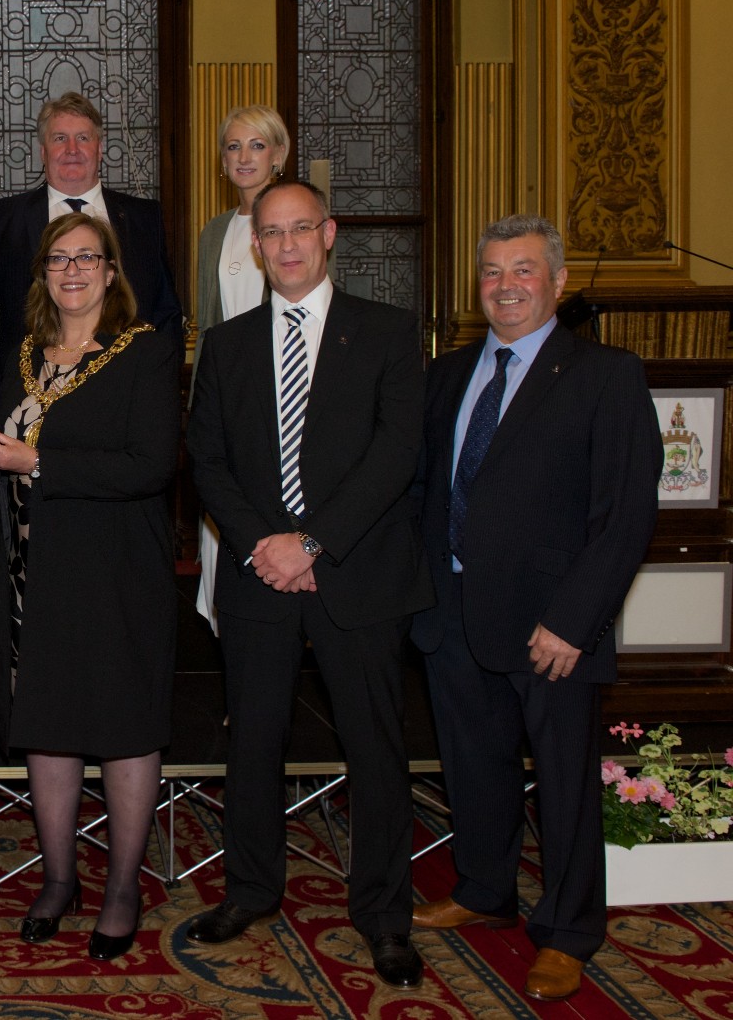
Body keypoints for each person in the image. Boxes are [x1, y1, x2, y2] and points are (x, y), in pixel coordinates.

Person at [185, 179, 431, 989]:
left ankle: (385, 915)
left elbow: (397, 455)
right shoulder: (225, 347)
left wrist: (314, 543)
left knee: (376, 749)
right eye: (271, 233)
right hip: (259, 576)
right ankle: (250, 889)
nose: (286, 246)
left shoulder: (391, 333)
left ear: (328, 234)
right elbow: (208, 461)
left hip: (357, 574)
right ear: (254, 244)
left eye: (300, 230)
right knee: (253, 743)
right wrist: (265, 545)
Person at [409, 215, 661, 1002]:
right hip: (453, 608)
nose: (506, 285)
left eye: (523, 271)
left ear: (555, 283)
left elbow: (625, 516)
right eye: (491, 272)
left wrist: (575, 620)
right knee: (473, 765)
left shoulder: (604, 374)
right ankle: (485, 890)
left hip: (552, 624)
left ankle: (569, 931)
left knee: (564, 782)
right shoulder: (448, 374)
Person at [0, 212, 180, 961]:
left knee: (121, 728)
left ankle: (122, 887)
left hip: (117, 573)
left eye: (90, 257)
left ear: (113, 271)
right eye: (59, 258)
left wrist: (42, 466)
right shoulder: (20, 356)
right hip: (29, 575)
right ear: (42, 275)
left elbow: (151, 464)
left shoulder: (145, 352)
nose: (74, 270)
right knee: (45, 725)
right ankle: (58, 880)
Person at [0, 92, 183, 387]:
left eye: (83, 139)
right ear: (43, 152)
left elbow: (166, 311)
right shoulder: (4, 220)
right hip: (32, 389)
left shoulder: (143, 217)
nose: (72, 149)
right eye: (60, 138)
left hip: (129, 389)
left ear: (100, 149)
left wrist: (159, 380)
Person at [192, 105, 292, 634]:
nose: (244, 156)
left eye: (256, 145)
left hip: (285, 397)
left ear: (278, 154)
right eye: (233, 146)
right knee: (222, 534)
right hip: (227, 401)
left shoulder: (298, 221)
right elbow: (209, 328)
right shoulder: (215, 232)